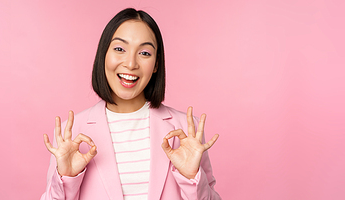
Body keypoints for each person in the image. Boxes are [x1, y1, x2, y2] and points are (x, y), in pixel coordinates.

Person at [41, 8, 221, 200]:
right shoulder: (73, 131)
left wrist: (191, 178)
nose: (131, 63)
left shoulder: (186, 130)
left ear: (156, 65)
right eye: (119, 49)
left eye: (144, 53)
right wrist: (66, 179)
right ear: (104, 54)